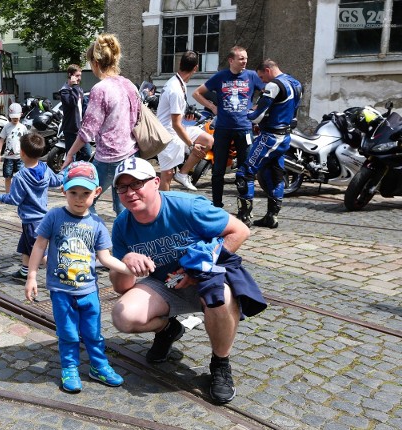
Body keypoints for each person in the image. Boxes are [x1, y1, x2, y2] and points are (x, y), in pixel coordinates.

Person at [109, 157, 266, 404]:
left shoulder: (187, 206)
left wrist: (195, 273)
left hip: (205, 280)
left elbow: (240, 231)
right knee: (123, 316)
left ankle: (220, 363)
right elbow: (121, 287)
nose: (130, 192)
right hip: (164, 285)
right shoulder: (122, 225)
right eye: (123, 187)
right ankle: (168, 328)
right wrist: (127, 261)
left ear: (156, 183)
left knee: (223, 298)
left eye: (137, 183)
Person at [25, 161, 135, 393]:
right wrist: (32, 275)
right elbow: (39, 246)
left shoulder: (96, 223)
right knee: (67, 333)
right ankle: (70, 367)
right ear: (64, 190)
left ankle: (98, 365)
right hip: (61, 291)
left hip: (89, 291)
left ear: (96, 192)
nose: (78, 198)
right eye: (73, 192)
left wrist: (129, 269)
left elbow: (105, 258)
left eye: (85, 193)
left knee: (93, 333)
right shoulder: (54, 216)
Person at [62, 34, 140, 215]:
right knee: (123, 206)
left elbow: (87, 130)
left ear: (95, 63)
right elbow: (137, 118)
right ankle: (127, 242)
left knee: (84, 199)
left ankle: (94, 237)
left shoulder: (101, 89)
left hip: (109, 157)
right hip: (130, 154)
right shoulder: (129, 85)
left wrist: (70, 154)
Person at [192, 46, 264, 209]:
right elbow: (197, 93)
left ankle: (245, 208)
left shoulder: (252, 76)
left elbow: (268, 93)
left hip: (244, 129)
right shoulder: (221, 77)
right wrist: (212, 107)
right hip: (223, 130)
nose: (244, 61)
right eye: (241, 58)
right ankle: (217, 205)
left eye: (246, 58)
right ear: (231, 60)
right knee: (218, 170)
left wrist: (257, 110)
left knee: (246, 169)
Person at [235, 59, 302, 228]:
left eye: (261, 76)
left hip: (270, 137)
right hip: (285, 136)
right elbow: (293, 113)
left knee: (244, 173)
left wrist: (244, 114)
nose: (262, 81)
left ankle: (245, 217)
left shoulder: (274, 86)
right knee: (275, 175)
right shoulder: (296, 83)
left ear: (267, 70)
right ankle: (271, 217)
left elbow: (258, 115)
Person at [0, 133, 62, 281]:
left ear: (21, 153)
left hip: (31, 221)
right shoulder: (45, 169)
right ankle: (24, 270)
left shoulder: (20, 177)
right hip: (43, 218)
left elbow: (14, 199)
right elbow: (56, 181)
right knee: (25, 244)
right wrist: (66, 174)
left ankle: (61, 276)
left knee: (40, 252)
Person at [156, 51, 213, 192]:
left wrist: (186, 118)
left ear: (180, 64)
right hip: (167, 134)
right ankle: (164, 208)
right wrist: (192, 145)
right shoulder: (175, 89)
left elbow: (176, 119)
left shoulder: (180, 83)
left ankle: (182, 174)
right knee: (167, 174)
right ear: (196, 68)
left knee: (208, 140)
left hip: (178, 128)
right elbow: (175, 124)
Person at [59, 64, 91, 162]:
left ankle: (77, 168)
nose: (79, 78)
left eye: (80, 75)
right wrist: (74, 86)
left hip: (81, 128)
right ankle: (71, 173)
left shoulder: (78, 89)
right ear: (70, 75)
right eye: (77, 76)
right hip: (71, 128)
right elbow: (72, 103)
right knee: (71, 156)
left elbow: (83, 107)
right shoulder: (64, 91)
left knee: (87, 153)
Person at [0, 103, 28, 193]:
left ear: (21, 115)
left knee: (20, 177)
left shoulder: (23, 128)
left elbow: (26, 141)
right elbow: (1, 140)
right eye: (12, 117)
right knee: (7, 177)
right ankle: (8, 194)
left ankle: (19, 193)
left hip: (20, 157)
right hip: (8, 157)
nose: (14, 119)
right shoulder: (7, 126)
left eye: (16, 117)